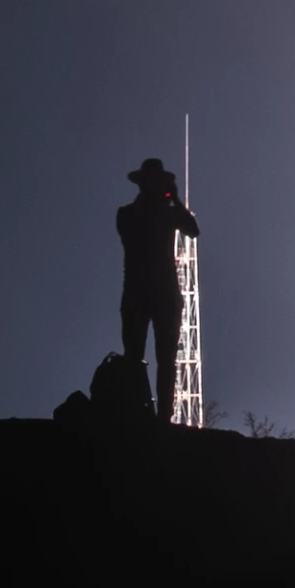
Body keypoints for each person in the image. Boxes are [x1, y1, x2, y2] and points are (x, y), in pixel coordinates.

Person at [115, 158, 200, 422]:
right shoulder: (162, 214)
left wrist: (170, 203)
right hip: (160, 292)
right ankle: (160, 417)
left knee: (138, 356)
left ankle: (140, 413)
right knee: (162, 358)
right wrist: (174, 200)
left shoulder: (127, 213)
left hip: (138, 292)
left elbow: (193, 231)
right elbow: (192, 229)